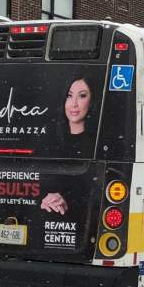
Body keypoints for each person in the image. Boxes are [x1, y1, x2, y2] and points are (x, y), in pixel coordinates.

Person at [40, 76, 96, 216]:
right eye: (69, 96)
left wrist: (66, 198)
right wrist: (47, 200)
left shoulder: (97, 143)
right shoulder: (50, 140)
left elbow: (93, 189)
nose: (74, 104)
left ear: (91, 101)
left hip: (82, 217)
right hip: (49, 216)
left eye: (82, 96)